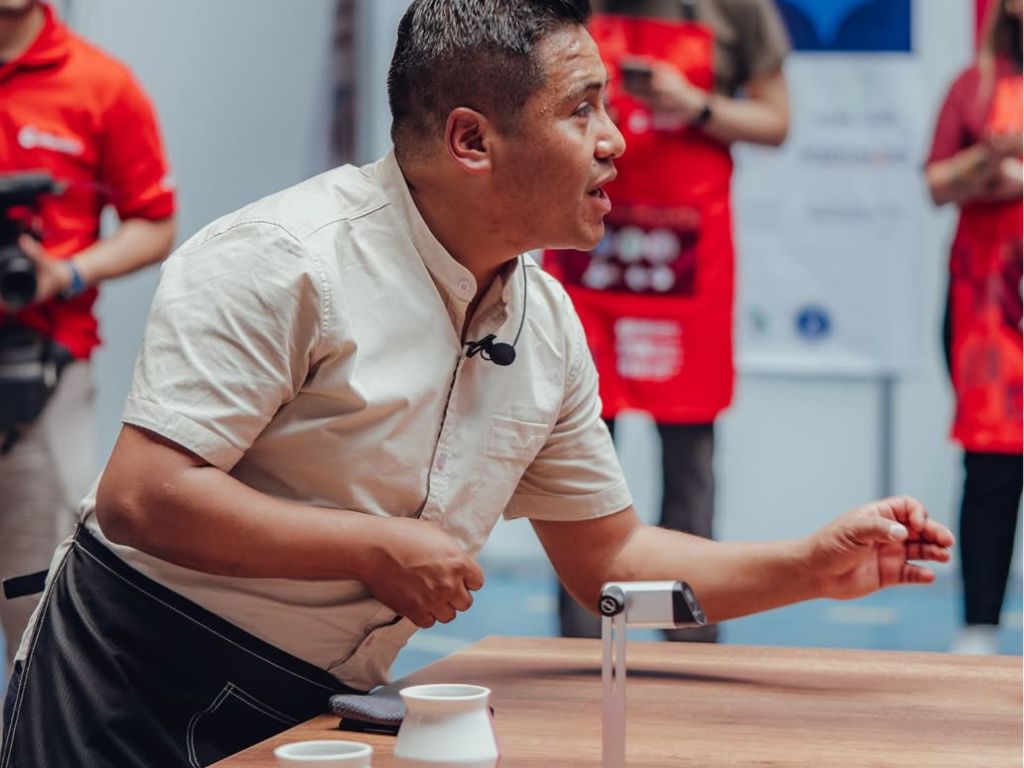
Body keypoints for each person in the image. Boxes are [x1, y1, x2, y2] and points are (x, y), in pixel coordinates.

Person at [1, 1, 952, 765]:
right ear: (471, 140)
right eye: (582, 110)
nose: (616, 140)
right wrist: (376, 547)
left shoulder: (547, 323)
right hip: (129, 677)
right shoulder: (284, 259)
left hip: (320, 701)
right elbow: (144, 497)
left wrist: (810, 566)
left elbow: (609, 559)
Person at [542, 0, 790, 642]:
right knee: (578, 460)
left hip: (683, 257)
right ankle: (582, 651)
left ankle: (689, 650)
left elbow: (776, 120)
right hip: (590, 254)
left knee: (689, 463)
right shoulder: (568, 8)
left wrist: (695, 105)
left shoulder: (736, 11)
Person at [0, 0, 175, 677]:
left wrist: (65, 273)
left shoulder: (101, 84)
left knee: (39, 598)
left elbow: (153, 222)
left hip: (46, 374)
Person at [924, 0, 1022, 656]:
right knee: (992, 463)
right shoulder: (972, 87)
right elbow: (936, 182)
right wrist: (988, 162)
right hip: (989, 303)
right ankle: (979, 622)